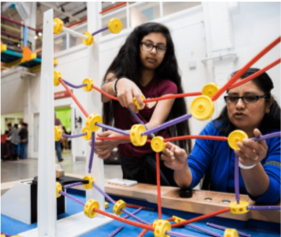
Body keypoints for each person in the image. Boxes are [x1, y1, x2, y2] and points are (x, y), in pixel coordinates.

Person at [162, 68, 280, 204]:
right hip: (218, 215)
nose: (239, 105)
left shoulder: (277, 139)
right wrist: (182, 168)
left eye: (250, 98)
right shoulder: (213, 132)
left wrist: (250, 165)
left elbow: (271, 195)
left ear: (268, 104)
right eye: (233, 98)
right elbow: (188, 180)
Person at [94, 22, 191, 186]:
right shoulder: (116, 76)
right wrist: (118, 83)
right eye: (148, 44)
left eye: (160, 47)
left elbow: (154, 125)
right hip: (129, 160)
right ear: (136, 45)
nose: (154, 51)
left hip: (160, 156)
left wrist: (120, 137)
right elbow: (101, 97)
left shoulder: (168, 86)